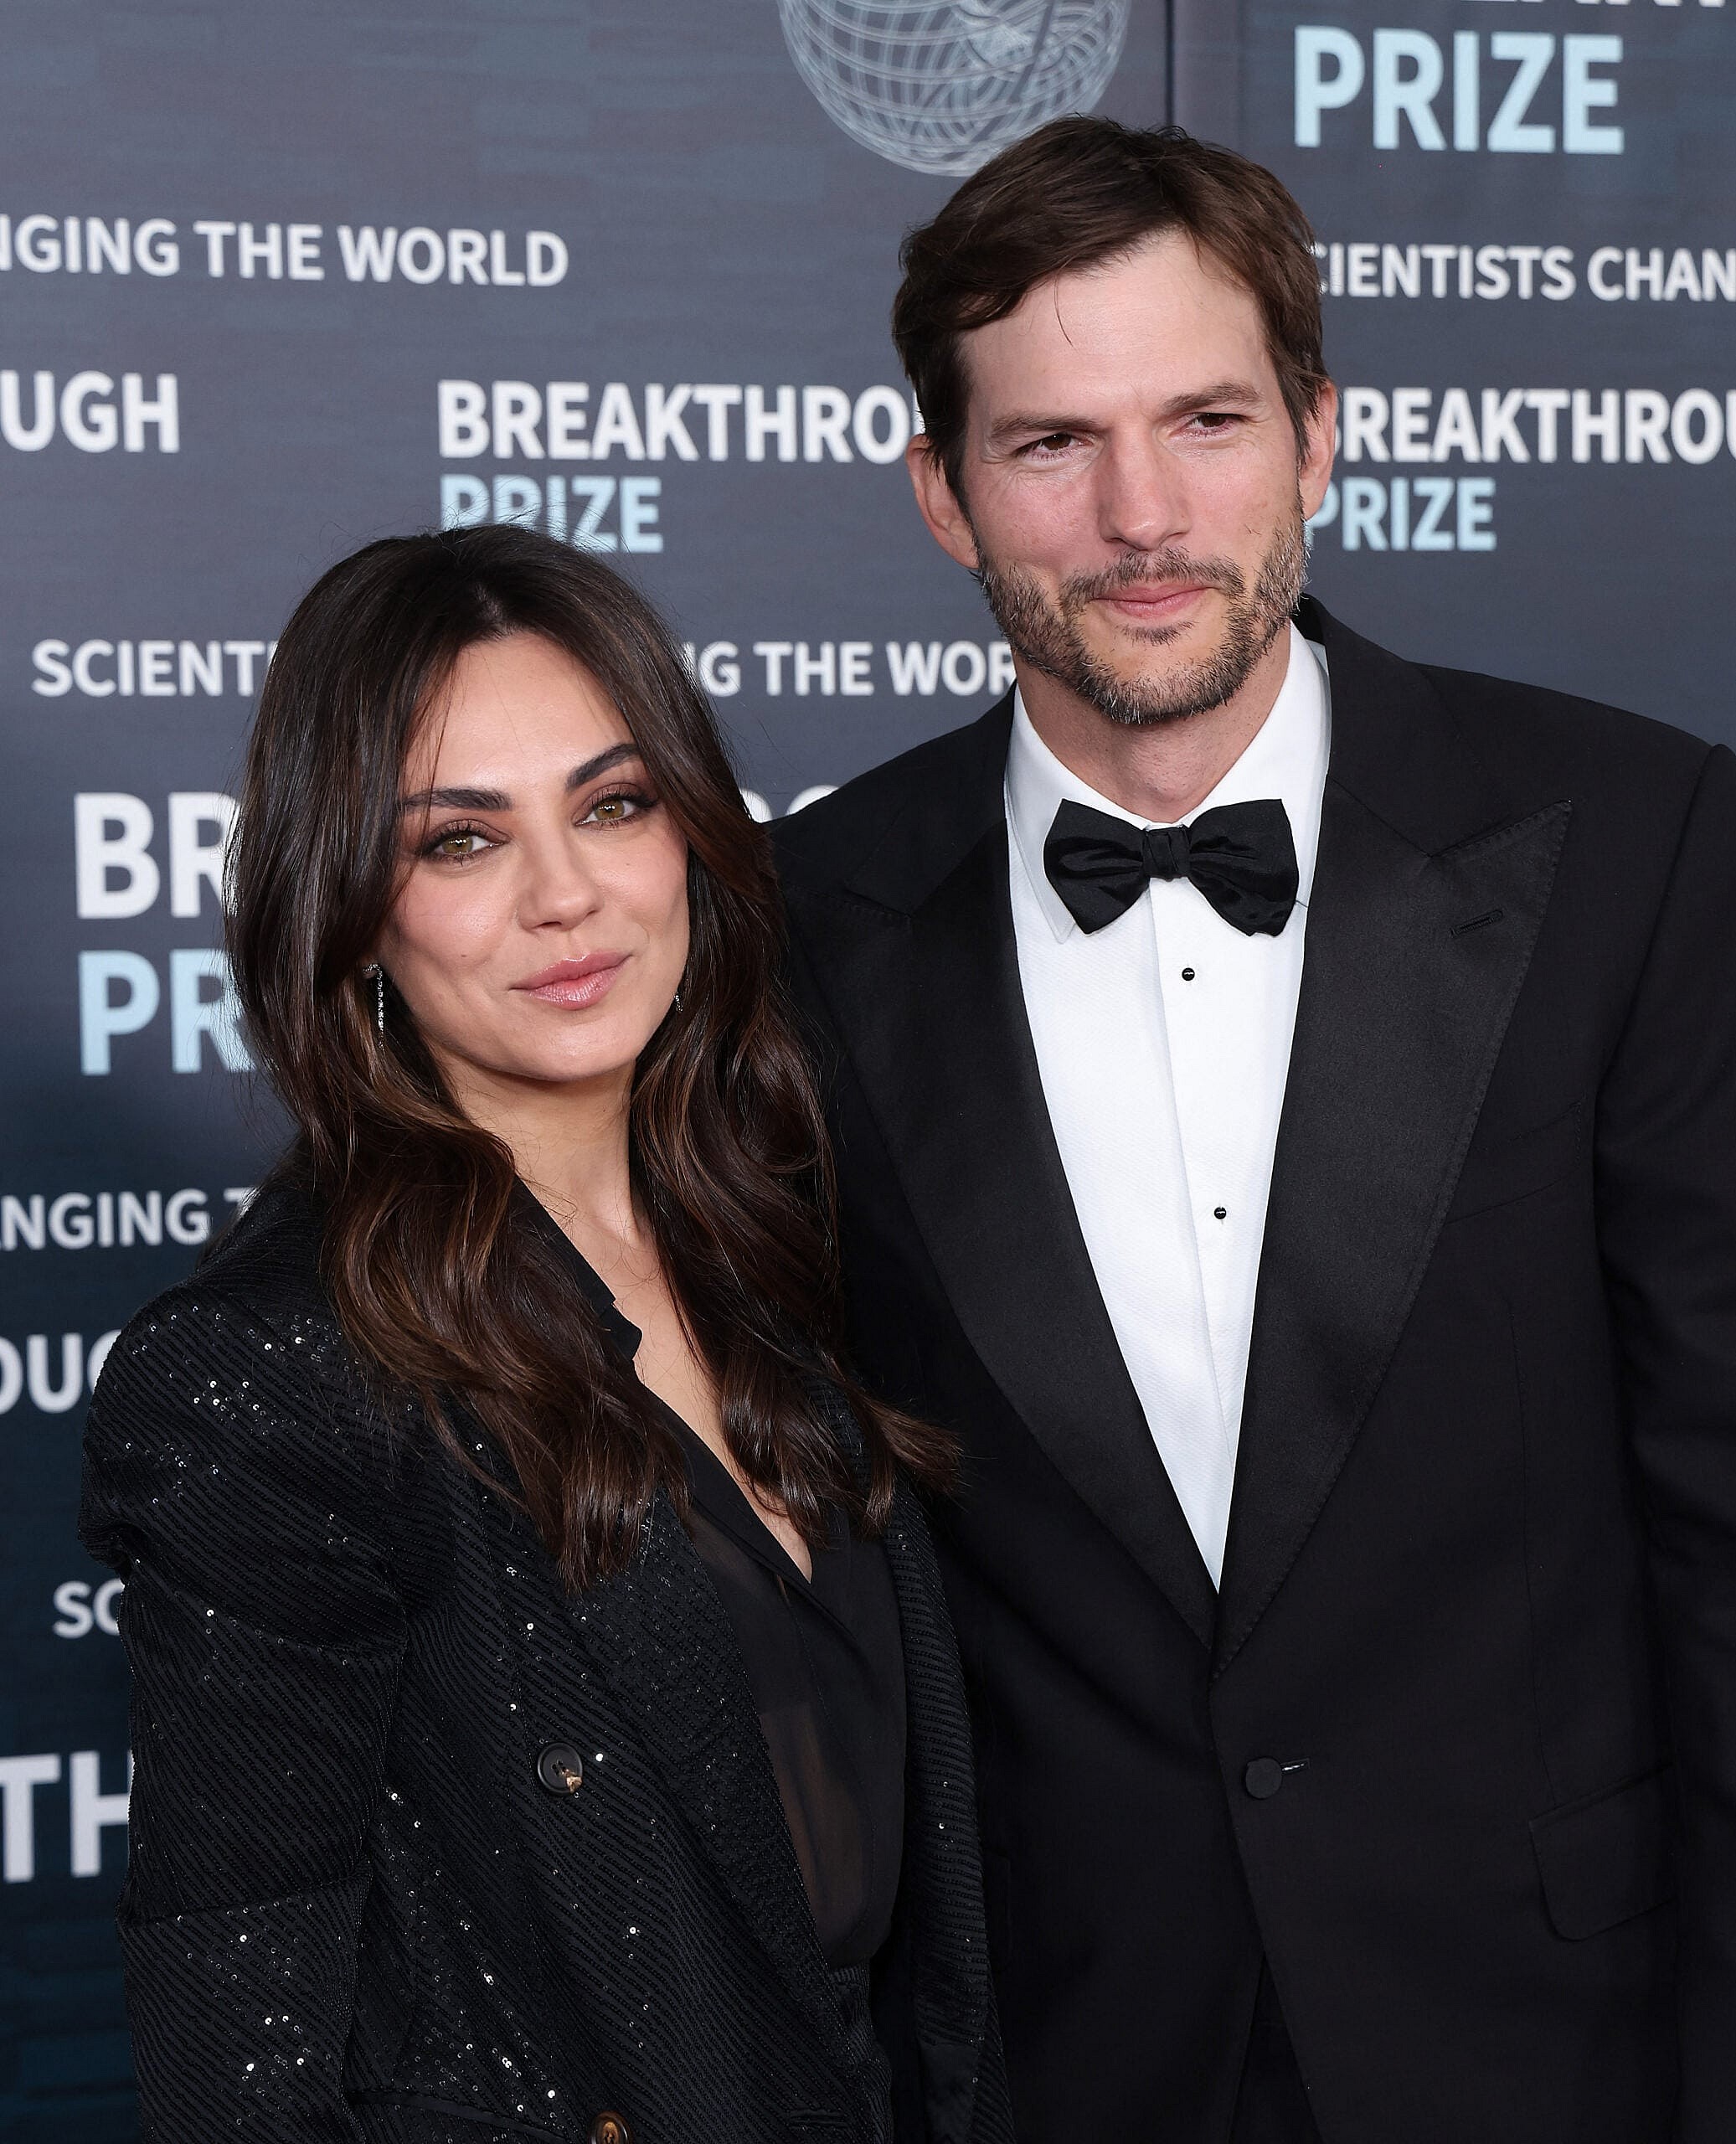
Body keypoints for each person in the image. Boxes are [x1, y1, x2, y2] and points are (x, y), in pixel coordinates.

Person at [772, 117, 1736, 2144]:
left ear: (1314, 432)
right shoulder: (800, 929)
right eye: (1048, 445)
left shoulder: (1638, 845)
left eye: (1203, 417)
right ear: (942, 496)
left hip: (1559, 2034)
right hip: (1061, 2057)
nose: (1141, 514)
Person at [80, 525, 1011, 2144]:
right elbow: (243, 2046)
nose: (565, 894)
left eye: (614, 803)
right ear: (350, 910)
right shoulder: (273, 1377)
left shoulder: (790, 1238)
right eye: (459, 841)